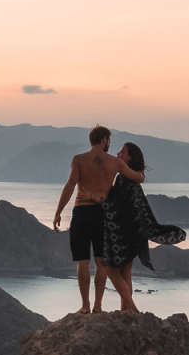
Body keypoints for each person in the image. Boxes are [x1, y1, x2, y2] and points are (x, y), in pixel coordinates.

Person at [53, 125, 145, 313]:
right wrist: (141, 173)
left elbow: (70, 186)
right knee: (102, 262)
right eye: (109, 140)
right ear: (104, 140)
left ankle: (85, 305)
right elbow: (137, 178)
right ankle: (98, 306)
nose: (109, 144)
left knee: (82, 262)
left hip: (81, 211)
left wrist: (58, 211)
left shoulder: (79, 160)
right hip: (103, 215)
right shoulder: (115, 163)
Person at [99, 141, 186, 311]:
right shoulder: (133, 180)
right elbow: (136, 208)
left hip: (122, 235)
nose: (118, 154)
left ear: (130, 158)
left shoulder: (124, 179)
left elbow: (115, 205)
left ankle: (131, 308)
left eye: (122, 152)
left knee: (110, 269)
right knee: (125, 273)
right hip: (134, 235)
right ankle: (126, 311)